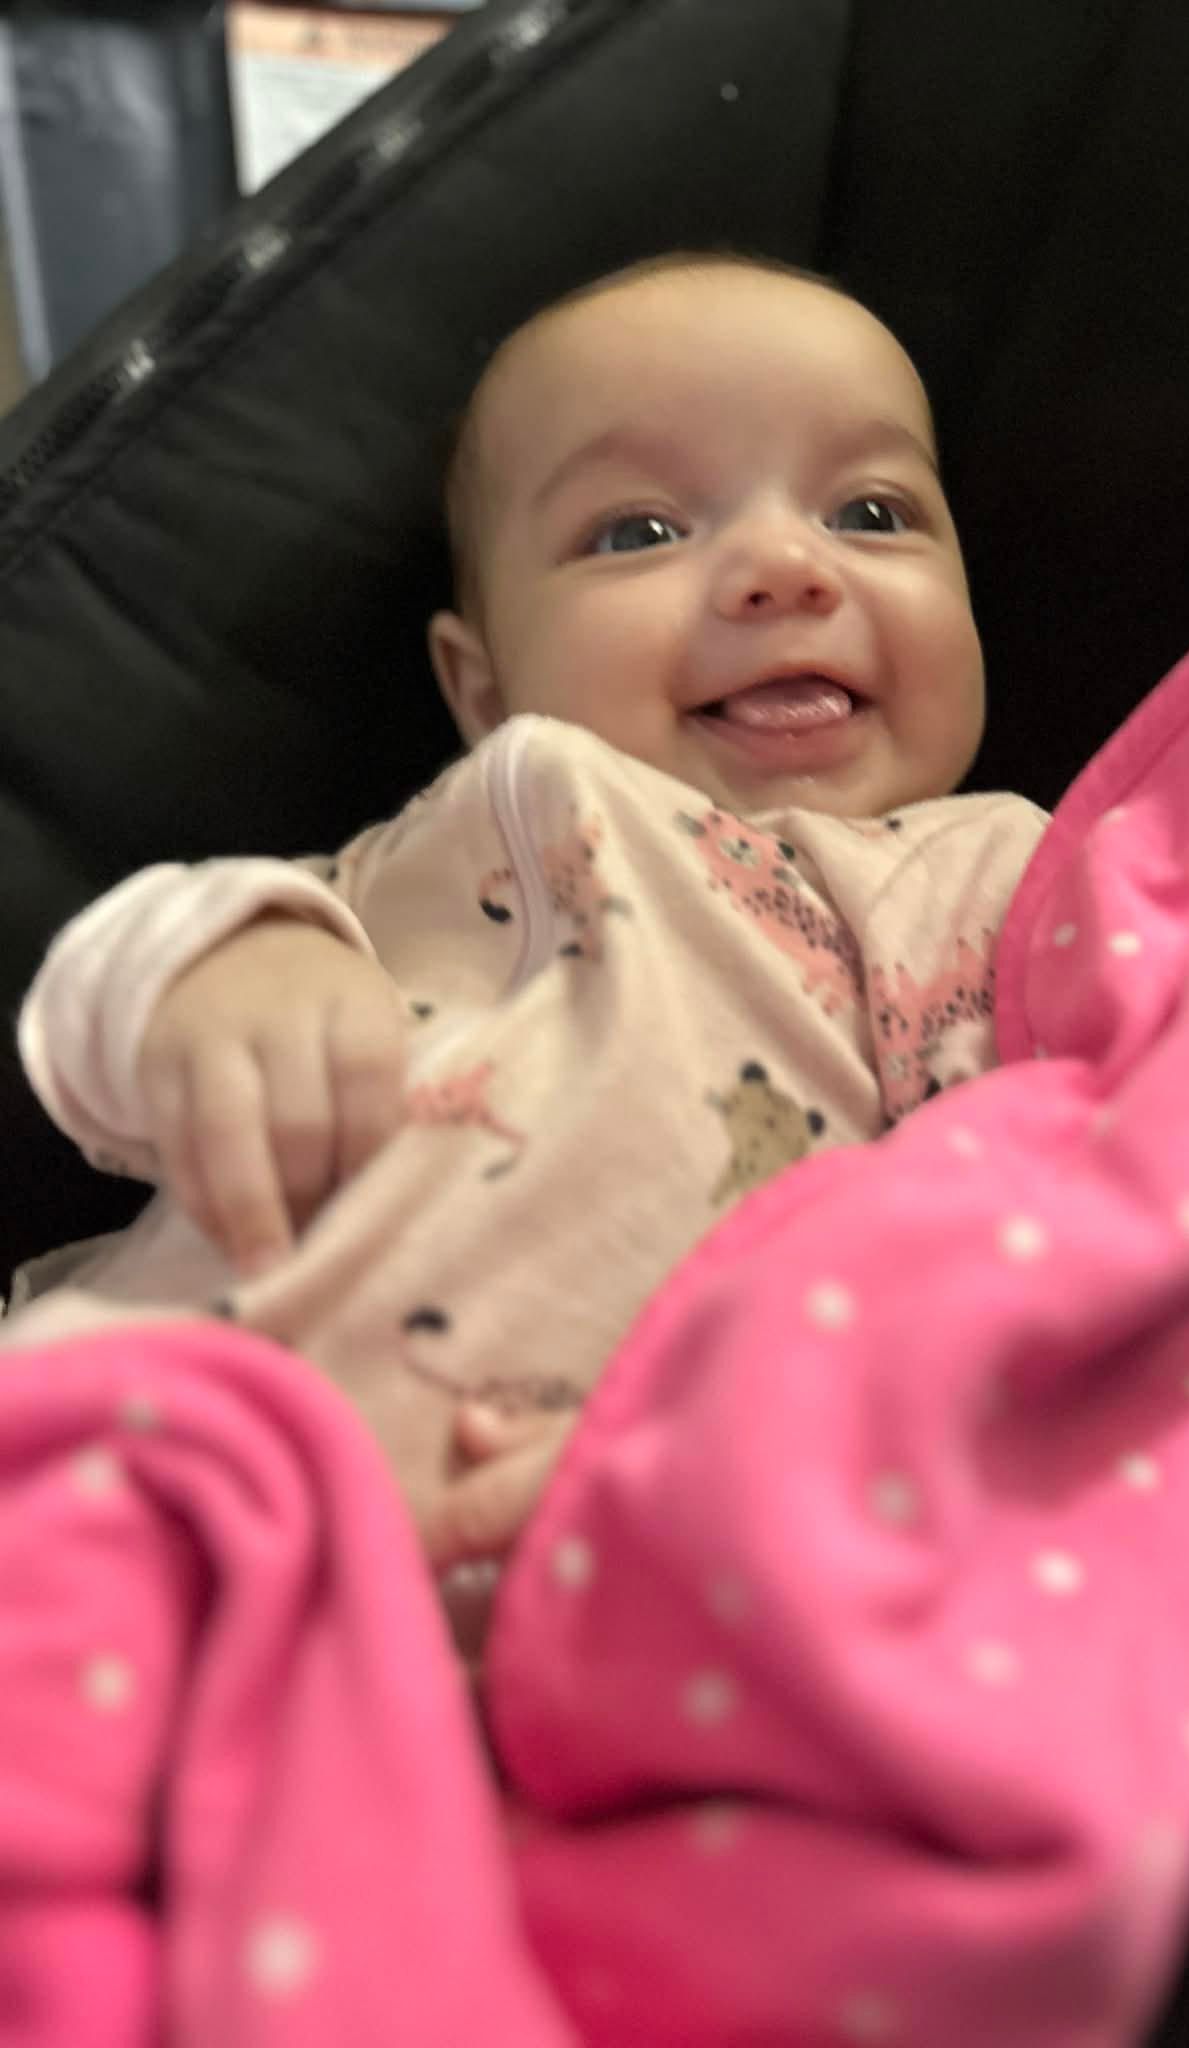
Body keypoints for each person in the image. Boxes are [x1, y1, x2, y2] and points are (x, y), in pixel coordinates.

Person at [5, 253, 1047, 1649]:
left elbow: (1041, 1241)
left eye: (870, 511)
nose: (787, 571)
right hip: (122, 1443)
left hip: (564, 1582)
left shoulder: (993, 878)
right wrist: (225, 971)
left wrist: (755, 1454)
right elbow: (100, 1003)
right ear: (481, 688)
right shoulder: (416, 856)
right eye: (639, 533)